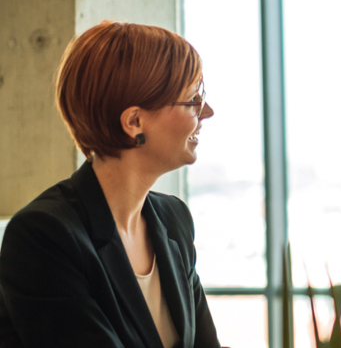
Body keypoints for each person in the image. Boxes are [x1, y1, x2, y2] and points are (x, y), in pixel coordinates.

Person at [0, 21, 220, 348]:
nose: (208, 112)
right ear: (134, 122)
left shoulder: (174, 219)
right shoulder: (43, 236)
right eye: (193, 100)